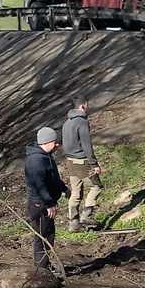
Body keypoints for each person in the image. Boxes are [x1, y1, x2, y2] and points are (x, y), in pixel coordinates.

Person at [25, 126, 67, 270]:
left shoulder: (45, 156)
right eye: (55, 143)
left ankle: (45, 266)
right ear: (47, 142)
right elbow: (40, 185)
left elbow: (52, 178)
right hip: (40, 205)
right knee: (42, 238)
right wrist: (49, 204)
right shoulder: (36, 161)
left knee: (48, 235)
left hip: (45, 203)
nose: (57, 145)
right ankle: (42, 270)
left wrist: (64, 188)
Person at [61, 98, 101, 231]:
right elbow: (87, 145)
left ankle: (73, 223)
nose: (88, 108)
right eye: (87, 106)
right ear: (82, 106)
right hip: (82, 161)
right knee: (96, 187)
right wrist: (94, 164)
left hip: (70, 162)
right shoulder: (82, 122)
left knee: (76, 192)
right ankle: (86, 217)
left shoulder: (67, 122)